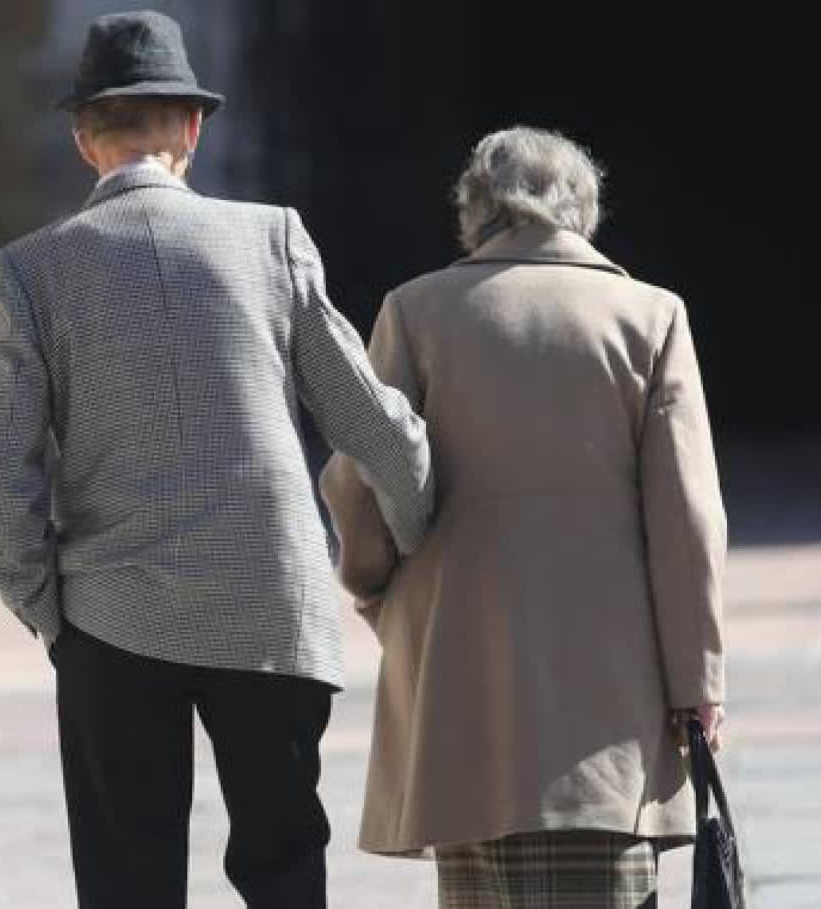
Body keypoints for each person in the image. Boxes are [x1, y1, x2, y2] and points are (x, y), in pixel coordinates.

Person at [0, 10, 434, 909]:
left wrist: (48, 610)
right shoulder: (273, 238)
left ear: (82, 141)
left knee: (127, 880)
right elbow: (369, 425)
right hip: (270, 605)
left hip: (113, 614)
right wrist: (411, 543)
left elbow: (0, 483)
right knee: (284, 866)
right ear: (193, 126)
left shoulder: (31, 270)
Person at [320, 126, 727, 908]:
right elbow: (687, 519)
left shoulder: (417, 313)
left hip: (459, 696)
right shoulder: (649, 316)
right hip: (606, 720)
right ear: (583, 210)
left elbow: (358, 479)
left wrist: (383, 594)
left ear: (476, 210)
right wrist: (697, 679)